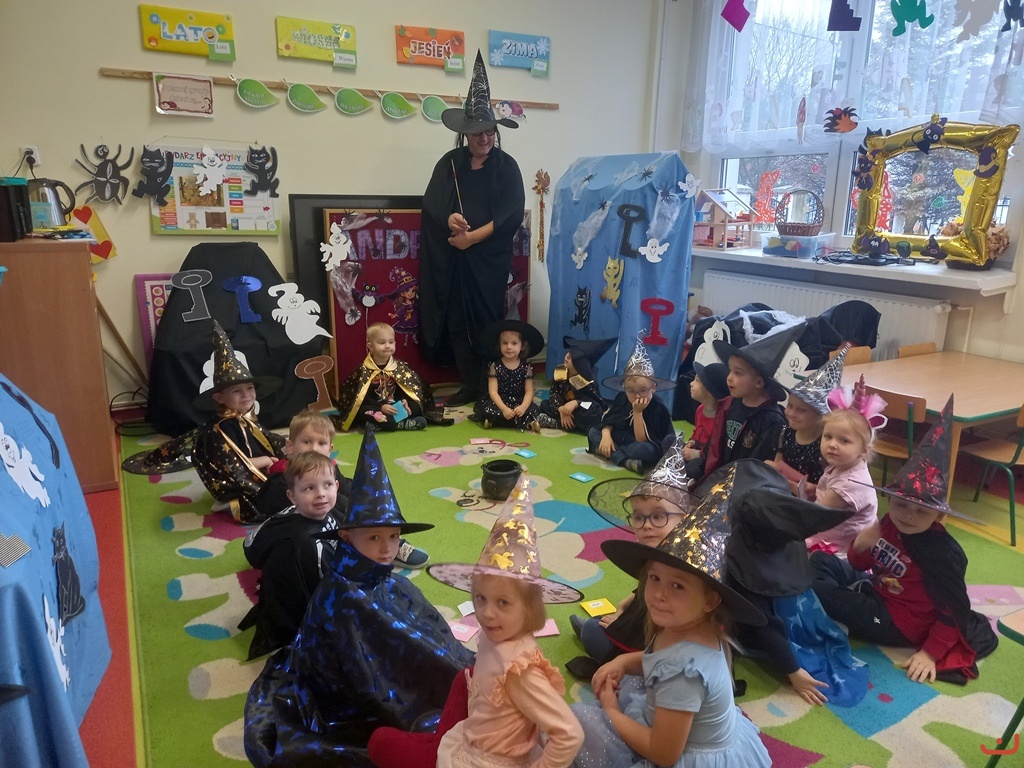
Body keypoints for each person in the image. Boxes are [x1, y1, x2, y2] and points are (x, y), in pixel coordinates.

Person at [244, 429, 474, 768]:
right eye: (374, 538)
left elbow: (418, 630)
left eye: (394, 536)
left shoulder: (385, 578)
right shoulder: (342, 597)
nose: (387, 549)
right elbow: (362, 673)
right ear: (347, 537)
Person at [370, 471, 583, 768]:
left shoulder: (519, 672)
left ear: (530, 607)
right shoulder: (498, 634)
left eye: (503, 602)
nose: (487, 613)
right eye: (480, 598)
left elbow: (570, 734)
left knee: (385, 745)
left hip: (490, 761)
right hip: (476, 736)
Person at [569, 484, 771, 768]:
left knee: (575, 724)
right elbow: (656, 659)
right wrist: (623, 661)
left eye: (678, 585)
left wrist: (612, 712)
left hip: (682, 756)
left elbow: (663, 754)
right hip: (687, 727)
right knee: (634, 683)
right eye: (654, 578)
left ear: (711, 600)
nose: (659, 595)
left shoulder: (683, 673)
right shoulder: (686, 623)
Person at [811, 395, 999, 685]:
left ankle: (838, 609)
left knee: (816, 589)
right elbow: (860, 563)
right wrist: (862, 544)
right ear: (890, 500)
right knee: (819, 561)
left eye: (921, 511)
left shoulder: (942, 553)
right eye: (901, 505)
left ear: (939, 515)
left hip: (898, 623)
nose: (908, 515)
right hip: (876, 589)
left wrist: (930, 654)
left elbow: (953, 610)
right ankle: (842, 600)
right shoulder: (890, 523)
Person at [694, 460, 869, 707]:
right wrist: (793, 671)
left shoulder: (777, 541)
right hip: (735, 612)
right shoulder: (734, 557)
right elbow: (763, 622)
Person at [419, 50, 525, 407]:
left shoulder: (506, 168)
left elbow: (510, 215)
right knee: (456, 320)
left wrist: (472, 239)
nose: (484, 139)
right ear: (465, 133)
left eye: (490, 131)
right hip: (453, 262)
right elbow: (433, 205)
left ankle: (491, 385)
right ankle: (469, 383)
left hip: (487, 262)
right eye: (478, 133)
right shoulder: (449, 163)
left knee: (485, 321)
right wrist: (450, 219)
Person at [569, 435, 699, 681]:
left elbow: (670, 637)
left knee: (594, 631)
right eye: (638, 517)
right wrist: (622, 608)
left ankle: (599, 642)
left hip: (662, 651)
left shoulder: (685, 565)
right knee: (603, 622)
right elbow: (643, 589)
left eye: (658, 516)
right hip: (645, 626)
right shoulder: (659, 553)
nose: (646, 525)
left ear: (683, 519)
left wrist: (623, 638)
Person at [252, 408, 427, 571]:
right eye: (306, 442)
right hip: (303, 537)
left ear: (330, 449)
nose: (314, 449)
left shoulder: (328, 469)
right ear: (290, 446)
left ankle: (384, 537)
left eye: (321, 443)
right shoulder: (283, 481)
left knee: (354, 497)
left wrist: (368, 495)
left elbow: (345, 485)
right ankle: (372, 540)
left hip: (330, 528)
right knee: (335, 503)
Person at [239, 451, 341, 660]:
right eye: (309, 488)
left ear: (337, 486)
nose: (321, 494)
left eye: (327, 485)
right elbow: (330, 588)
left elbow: (249, 543)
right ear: (292, 496)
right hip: (297, 610)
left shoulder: (293, 512)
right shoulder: (309, 542)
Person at [186, 320, 285, 524]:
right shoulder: (219, 430)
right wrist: (267, 461)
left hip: (260, 468)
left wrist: (291, 447)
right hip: (238, 480)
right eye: (236, 391)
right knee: (284, 494)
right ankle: (231, 502)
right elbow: (233, 466)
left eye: (249, 388)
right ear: (219, 397)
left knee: (301, 470)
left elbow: (267, 439)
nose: (246, 395)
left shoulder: (245, 417)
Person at [686, 323, 805, 484]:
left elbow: (757, 468)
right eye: (730, 370)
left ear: (759, 382)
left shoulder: (772, 420)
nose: (729, 378)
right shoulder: (729, 405)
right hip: (718, 473)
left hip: (742, 483)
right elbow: (714, 447)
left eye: (738, 373)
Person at [805, 375, 885, 554]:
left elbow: (815, 515)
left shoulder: (850, 484)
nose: (832, 444)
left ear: (864, 450)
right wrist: (816, 490)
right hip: (833, 533)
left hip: (839, 548)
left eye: (844, 441)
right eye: (828, 436)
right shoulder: (844, 464)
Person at [334, 321, 454, 432]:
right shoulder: (362, 371)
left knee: (417, 406)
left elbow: (408, 389)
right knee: (363, 412)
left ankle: (380, 425)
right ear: (370, 346)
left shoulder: (399, 367)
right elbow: (360, 399)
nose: (387, 346)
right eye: (382, 343)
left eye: (391, 342)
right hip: (376, 408)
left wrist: (404, 401)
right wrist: (381, 407)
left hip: (395, 407)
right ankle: (402, 424)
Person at [766, 343, 849, 499]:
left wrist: (813, 490)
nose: (791, 413)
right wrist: (772, 468)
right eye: (790, 405)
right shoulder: (786, 432)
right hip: (783, 494)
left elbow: (832, 487)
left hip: (813, 503)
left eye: (801, 410)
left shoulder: (826, 444)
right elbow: (778, 463)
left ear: (821, 415)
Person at [589, 332, 675, 475]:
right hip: (621, 437)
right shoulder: (623, 398)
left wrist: (637, 412)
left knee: (645, 450)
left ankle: (609, 452)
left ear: (653, 388)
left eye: (643, 390)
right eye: (631, 391)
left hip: (637, 444)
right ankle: (624, 460)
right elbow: (609, 420)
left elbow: (641, 439)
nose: (637, 396)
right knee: (593, 431)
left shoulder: (657, 407)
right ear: (625, 388)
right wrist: (606, 434)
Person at [472, 320, 544, 432]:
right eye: (505, 343)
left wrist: (523, 407)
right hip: (500, 401)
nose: (509, 347)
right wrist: (504, 409)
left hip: (519, 401)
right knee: (487, 408)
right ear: (499, 345)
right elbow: (493, 392)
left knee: (531, 410)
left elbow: (529, 391)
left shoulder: (526, 367)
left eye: (514, 343)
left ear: (522, 346)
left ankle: (528, 422)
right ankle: (493, 420)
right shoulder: (495, 366)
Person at [537, 336, 614, 433]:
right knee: (544, 404)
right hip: (563, 407)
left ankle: (556, 423)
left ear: (581, 364)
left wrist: (576, 403)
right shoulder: (560, 372)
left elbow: (595, 405)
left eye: (572, 357)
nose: (567, 356)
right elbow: (554, 394)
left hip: (580, 410)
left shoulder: (587, 381)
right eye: (568, 352)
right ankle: (562, 422)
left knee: (593, 415)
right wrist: (561, 409)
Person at [682, 362, 729, 462]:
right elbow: (696, 432)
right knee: (669, 440)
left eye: (697, 381)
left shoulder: (721, 419)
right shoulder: (700, 409)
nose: (691, 383)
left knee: (696, 466)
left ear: (710, 391)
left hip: (704, 459)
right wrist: (691, 443)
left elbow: (715, 451)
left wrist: (695, 454)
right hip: (695, 449)